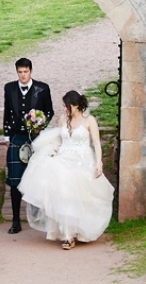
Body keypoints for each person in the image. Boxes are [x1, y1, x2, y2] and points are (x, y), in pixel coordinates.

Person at [17, 90, 113, 249]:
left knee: (80, 196)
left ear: (75, 105)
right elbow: (58, 139)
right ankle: (68, 235)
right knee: (63, 193)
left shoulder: (89, 120)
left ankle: (79, 230)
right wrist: (50, 152)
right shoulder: (63, 119)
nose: (64, 109)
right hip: (64, 157)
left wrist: (99, 163)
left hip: (82, 160)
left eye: (66, 106)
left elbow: (96, 143)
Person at [2, 57, 54, 234]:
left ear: (31, 71)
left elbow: (49, 111)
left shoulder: (42, 88)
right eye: (20, 72)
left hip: (36, 137)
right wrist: (7, 135)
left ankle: (39, 217)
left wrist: (39, 125)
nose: (23, 75)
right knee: (15, 181)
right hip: (17, 137)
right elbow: (7, 111)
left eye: (26, 72)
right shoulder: (9, 88)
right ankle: (16, 221)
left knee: (39, 177)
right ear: (17, 72)